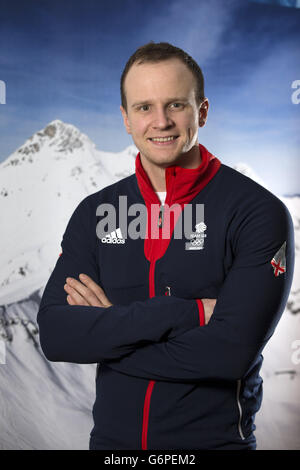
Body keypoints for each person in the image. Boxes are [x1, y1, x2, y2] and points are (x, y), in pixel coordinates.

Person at [37, 42, 294, 450]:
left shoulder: (257, 213)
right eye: (143, 108)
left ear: (202, 112)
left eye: (175, 105)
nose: (160, 122)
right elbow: (55, 336)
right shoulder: (96, 212)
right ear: (125, 118)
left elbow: (229, 354)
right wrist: (187, 313)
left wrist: (109, 332)